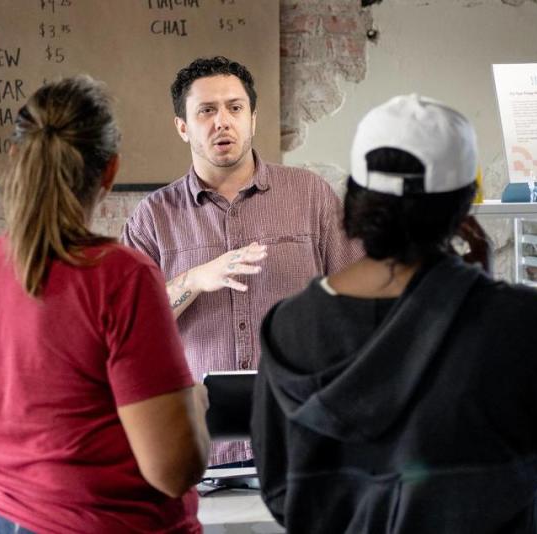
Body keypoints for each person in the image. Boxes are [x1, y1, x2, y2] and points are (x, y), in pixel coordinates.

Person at [251, 94, 537, 533]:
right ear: (462, 208)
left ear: (355, 198)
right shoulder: (520, 319)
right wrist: (482, 289)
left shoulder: (289, 326)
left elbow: (279, 484)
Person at [0, 76, 210, 534]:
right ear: (110, 171)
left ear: (17, 159)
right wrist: (193, 404)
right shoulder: (123, 278)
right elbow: (173, 471)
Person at [122, 56, 361, 466]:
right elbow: (126, 329)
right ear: (183, 127)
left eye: (235, 108)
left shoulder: (310, 195)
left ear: (253, 119)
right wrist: (194, 281)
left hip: (302, 436)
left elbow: (359, 305)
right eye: (206, 111)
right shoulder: (153, 217)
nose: (222, 122)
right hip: (200, 447)